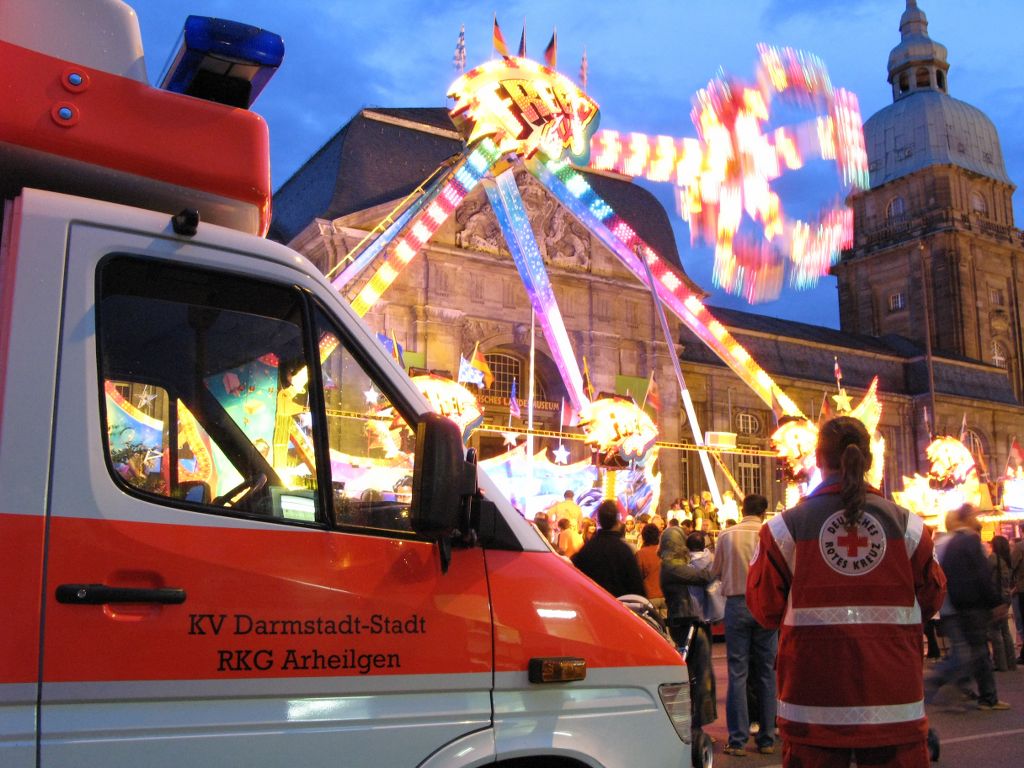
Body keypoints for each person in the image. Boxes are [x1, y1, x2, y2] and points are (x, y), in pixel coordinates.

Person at [748, 416, 946, 768]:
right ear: (868, 461)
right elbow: (932, 599)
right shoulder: (910, 527)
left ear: (819, 461)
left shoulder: (784, 529)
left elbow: (765, 609)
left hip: (813, 706)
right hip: (894, 704)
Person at [925, 504, 1010, 711]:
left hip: (954, 606)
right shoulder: (969, 542)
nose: (978, 519)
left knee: (968, 652)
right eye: (974, 515)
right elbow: (981, 576)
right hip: (971, 606)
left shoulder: (948, 543)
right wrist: (995, 602)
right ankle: (985, 696)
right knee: (976, 652)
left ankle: (975, 693)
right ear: (967, 518)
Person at [712, 493, 777, 757]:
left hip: (737, 604)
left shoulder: (727, 536)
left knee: (737, 673)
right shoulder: (771, 534)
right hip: (765, 605)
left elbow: (715, 571)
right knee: (766, 672)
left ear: (742, 509)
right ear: (764, 512)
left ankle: (738, 740)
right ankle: (767, 739)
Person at [660, 522, 716, 729]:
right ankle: (696, 722)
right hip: (687, 623)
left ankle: (697, 720)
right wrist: (717, 564)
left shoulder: (670, 564)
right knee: (699, 673)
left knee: (698, 672)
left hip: (685, 620)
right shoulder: (671, 566)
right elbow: (703, 577)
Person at [571, 499, 645, 598]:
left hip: (592, 603)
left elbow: (577, 579)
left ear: (599, 520)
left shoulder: (587, 549)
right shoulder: (624, 550)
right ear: (617, 521)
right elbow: (637, 587)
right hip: (618, 606)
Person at [987, 535, 1017, 672]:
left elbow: (986, 575)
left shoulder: (993, 559)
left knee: (994, 630)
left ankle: (1001, 663)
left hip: (996, 597)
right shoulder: (1007, 559)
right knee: (1005, 630)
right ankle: (1011, 662)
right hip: (1006, 596)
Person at [635, 523, 666, 617]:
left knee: (654, 627)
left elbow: (638, 576)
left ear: (644, 536)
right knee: (667, 628)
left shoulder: (641, 554)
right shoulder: (664, 551)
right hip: (666, 595)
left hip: (650, 596)